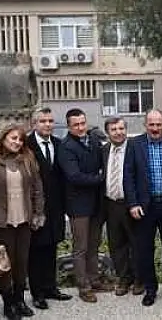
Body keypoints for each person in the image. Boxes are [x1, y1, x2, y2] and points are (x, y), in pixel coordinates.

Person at [0, 124, 45, 319]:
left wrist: (38, 213)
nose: (18, 142)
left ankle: (20, 300)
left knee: (22, 263)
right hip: (0, 222)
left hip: (24, 221)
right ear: (3, 138)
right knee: (5, 265)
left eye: (21, 139)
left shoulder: (28, 160)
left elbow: (38, 189)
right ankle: (8, 303)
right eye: (13, 138)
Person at [123, 109, 162, 306]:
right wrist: (133, 203)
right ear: (145, 125)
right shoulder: (134, 144)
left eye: (158, 124)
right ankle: (150, 289)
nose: (155, 128)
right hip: (144, 207)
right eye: (151, 124)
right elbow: (128, 176)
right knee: (145, 250)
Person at [57, 108, 108, 303]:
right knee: (81, 247)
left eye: (82, 123)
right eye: (76, 125)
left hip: (96, 202)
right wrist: (100, 178)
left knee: (94, 244)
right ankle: (84, 286)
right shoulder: (66, 146)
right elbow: (74, 176)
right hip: (78, 205)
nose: (80, 128)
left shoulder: (93, 140)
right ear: (69, 126)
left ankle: (94, 280)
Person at [26, 108, 71, 309]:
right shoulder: (26, 146)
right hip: (35, 208)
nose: (47, 124)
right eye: (43, 121)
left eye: (50, 121)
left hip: (55, 207)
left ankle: (51, 287)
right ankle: (38, 293)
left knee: (51, 247)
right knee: (36, 251)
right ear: (34, 124)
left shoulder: (58, 144)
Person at [101, 117, 141, 296]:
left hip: (131, 204)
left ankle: (139, 279)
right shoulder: (104, 150)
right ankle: (124, 278)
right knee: (117, 244)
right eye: (114, 129)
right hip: (111, 204)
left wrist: (137, 202)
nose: (118, 132)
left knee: (136, 243)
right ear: (107, 133)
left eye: (121, 128)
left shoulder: (135, 148)